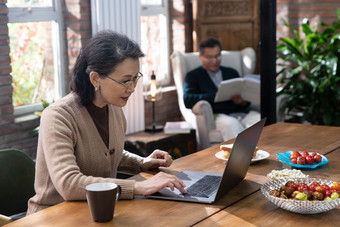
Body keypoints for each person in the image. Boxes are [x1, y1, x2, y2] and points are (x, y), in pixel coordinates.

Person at [27, 30, 186, 215]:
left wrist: (142, 163)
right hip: (53, 216)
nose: (133, 88)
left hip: (100, 210)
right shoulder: (57, 117)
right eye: (126, 81)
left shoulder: (114, 107)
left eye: (136, 78)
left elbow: (107, 155)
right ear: (95, 78)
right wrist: (137, 187)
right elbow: (69, 184)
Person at [183, 38, 260, 141]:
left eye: (217, 56)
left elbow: (244, 99)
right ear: (200, 57)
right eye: (209, 58)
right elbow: (187, 99)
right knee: (231, 125)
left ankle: (264, 155)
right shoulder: (193, 76)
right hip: (219, 116)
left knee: (260, 120)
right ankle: (240, 157)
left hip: (242, 113)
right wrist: (215, 95)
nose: (214, 61)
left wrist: (242, 102)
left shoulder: (231, 72)